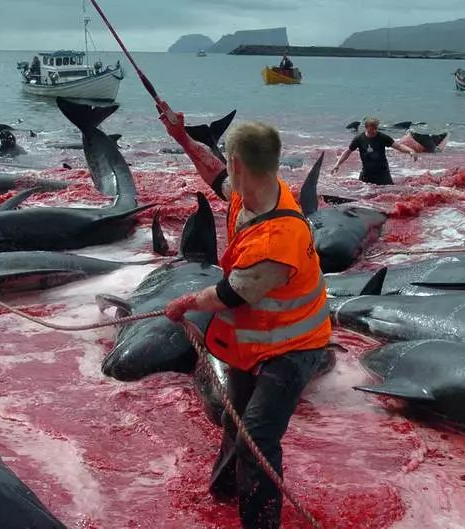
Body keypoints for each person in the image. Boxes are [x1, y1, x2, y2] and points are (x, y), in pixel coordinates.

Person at [157, 101, 331, 529]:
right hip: (254, 341)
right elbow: (214, 173)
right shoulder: (254, 190)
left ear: (240, 162)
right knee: (236, 420)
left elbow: (232, 294)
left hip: (293, 348)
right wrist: (181, 136)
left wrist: (184, 304)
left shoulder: (280, 236)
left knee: (256, 437)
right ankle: (224, 494)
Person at [329, 116, 418, 185]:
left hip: (383, 173)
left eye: (376, 128)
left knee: (388, 194)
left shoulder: (382, 137)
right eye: (372, 129)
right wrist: (337, 164)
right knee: (363, 197)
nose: (375, 131)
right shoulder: (359, 138)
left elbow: (398, 146)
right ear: (366, 127)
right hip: (367, 173)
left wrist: (410, 150)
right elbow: (348, 152)